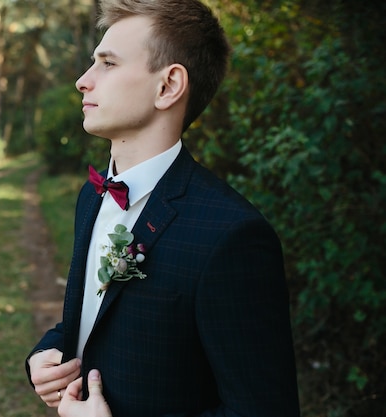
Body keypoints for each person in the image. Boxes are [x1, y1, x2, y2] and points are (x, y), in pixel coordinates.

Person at [26, 1, 300, 416]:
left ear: (168, 86)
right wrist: (46, 352)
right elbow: (95, 319)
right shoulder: (91, 195)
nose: (84, 81)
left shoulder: (231, 236)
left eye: (108, 64)